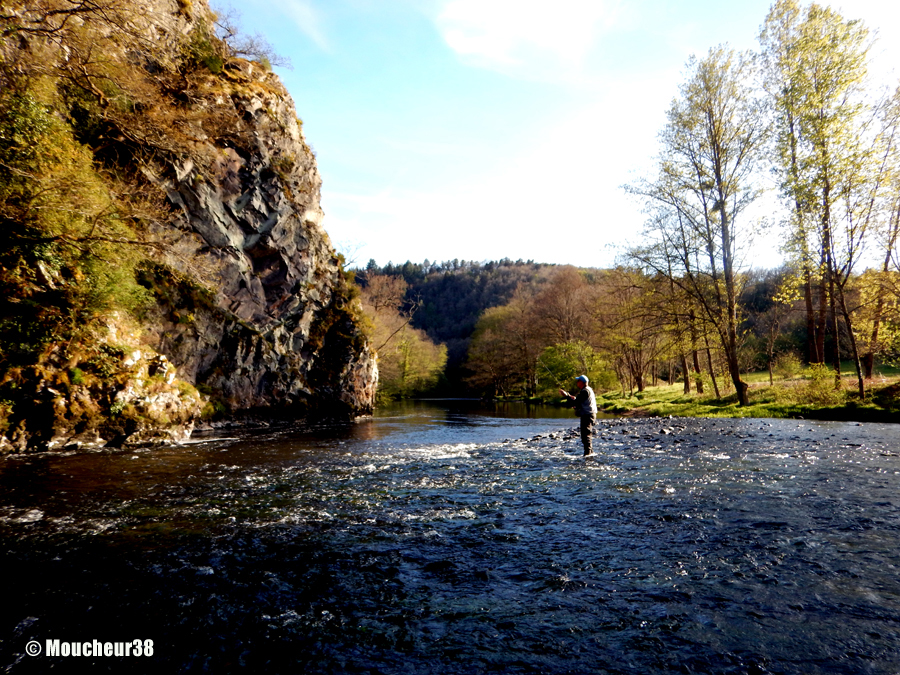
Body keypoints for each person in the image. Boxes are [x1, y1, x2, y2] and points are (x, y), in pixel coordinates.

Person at [559, 375, 597, 456]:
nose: (577, 382)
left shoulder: (585, 391)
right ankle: (590, 453)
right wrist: (573, 398)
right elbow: (580, 401)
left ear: (581, 382)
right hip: (590, 414)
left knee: (585, 435)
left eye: (578, 381)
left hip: (587, 415)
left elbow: (575, 403)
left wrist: (566, 396)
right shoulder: (588, 389)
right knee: (586, 434)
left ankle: (588, 454)